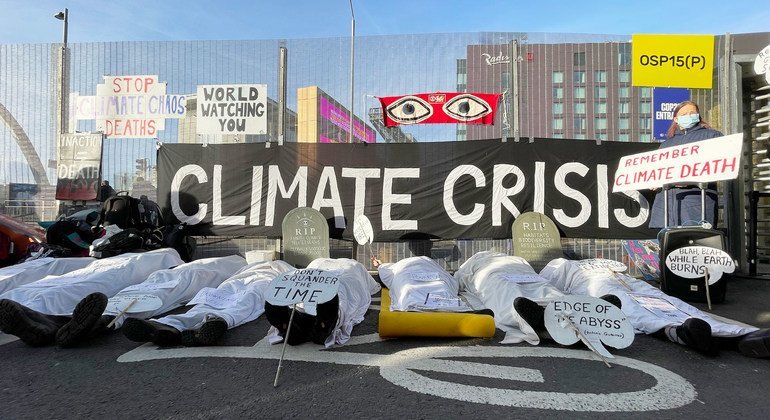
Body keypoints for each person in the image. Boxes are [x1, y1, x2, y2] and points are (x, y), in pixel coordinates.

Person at [539, 257, 770, 358]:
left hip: (627, 281)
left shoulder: (590, 263)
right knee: (631, 309)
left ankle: (743, 334)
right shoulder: (564, 266)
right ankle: (679, 332)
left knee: (671, 303)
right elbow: (551, 286)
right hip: (598, 286)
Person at [0, 248, 184, 347]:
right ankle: (63, 321)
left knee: (66, 285)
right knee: (71, 285)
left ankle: (54, 320)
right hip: (148, 267)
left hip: (126, 266)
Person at [454, 251, 619, 345]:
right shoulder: (472, 264)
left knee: (545, 289)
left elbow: (457, 283)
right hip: (492, 275)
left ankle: (585, 310)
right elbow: (461, 280)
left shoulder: (512, 259)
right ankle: (542, 318)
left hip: (519, 272)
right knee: (508, 292)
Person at [123, 259, 294, 347]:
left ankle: (172, 324)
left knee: (235, 299)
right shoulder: (280, 266)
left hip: (247, 281)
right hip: (245, 280)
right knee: (242, 302)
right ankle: (170, 326)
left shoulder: (268, 266)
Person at [264, 257, 381, 347]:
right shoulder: (355, 265)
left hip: (314, 281)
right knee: (341, 294)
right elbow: (369, 285)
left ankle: (290, 324)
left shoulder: (319, 261)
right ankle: (322, 325)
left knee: (307, 301)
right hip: (332, 280)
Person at [649, 101, 723, 229]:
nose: (688, 116)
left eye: (692, 113)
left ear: (698, 116)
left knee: (695, 244)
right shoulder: (666, 145)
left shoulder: (712, 137)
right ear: (676, 119)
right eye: (684, 114)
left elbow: (720, 165)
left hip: (695, 204)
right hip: (665, 207)